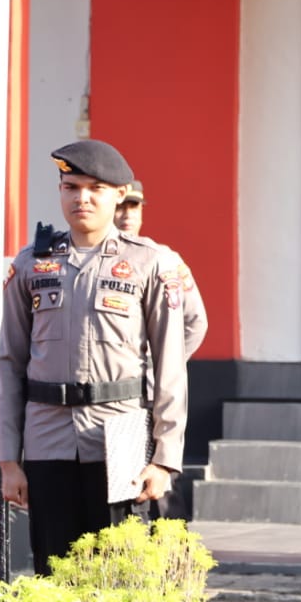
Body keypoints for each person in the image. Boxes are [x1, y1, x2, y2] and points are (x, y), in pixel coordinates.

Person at [0, 140, 189, 575]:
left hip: (119, 432)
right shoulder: (31, 265)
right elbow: (9, 363)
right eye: (71, 186)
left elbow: (171, 366)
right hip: (47, 434)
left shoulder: (150, 263)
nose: (82, 198)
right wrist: (9, 459)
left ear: (120, 194)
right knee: (54, 568)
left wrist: (163, 459)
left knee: (117, 572)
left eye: (95, 188)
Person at [114, 178, 209, 520]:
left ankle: (172, 559)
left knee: (164, 484)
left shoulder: (164, 260)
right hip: (109, 398)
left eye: (134, 206)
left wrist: (159, 365)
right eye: (121, 206)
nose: (126, 215)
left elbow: (195, 322)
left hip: (151, 391)